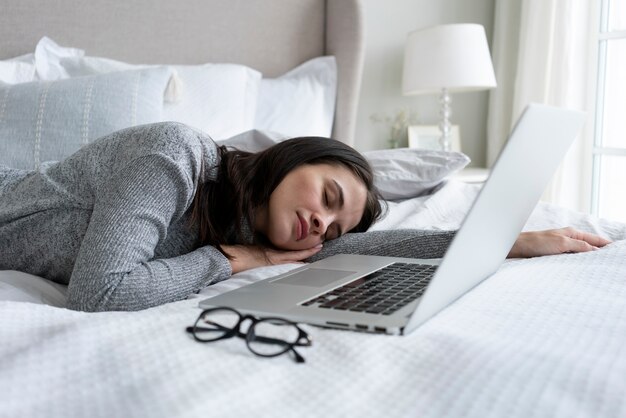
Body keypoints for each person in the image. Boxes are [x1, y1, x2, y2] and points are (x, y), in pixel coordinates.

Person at [0, 122, 611, 312]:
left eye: (335, 222)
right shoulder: (173, 156)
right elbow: (100, 293)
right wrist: (227, 262)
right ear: (291, 159)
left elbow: (352, 252)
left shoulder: (252, 216)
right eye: (327, 197)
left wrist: (506, 241)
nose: (322, 222)